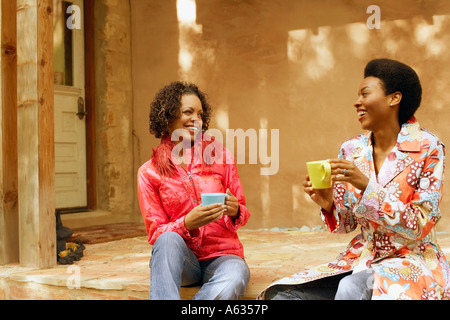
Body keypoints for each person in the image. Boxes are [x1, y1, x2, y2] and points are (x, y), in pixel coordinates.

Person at [259, 58, 450, 300]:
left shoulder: (428, 147)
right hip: (363, 258)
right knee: (283, 295)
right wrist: (327, 202)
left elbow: (420, 226)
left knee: (350, 288)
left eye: (365, 94)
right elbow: (346, 224)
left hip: (410, 260)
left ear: (394, 98)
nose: (356, 102)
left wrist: (367, 186)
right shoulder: (351, 150)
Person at [137, 81, 251, 300]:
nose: (196, 119)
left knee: (235, 274)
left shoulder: (221, 156)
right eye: (187, 112)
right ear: (167, 117)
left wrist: (236, 210)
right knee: (168, 239)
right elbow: (156, 233)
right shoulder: (149, 172)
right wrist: (186, 223)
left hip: (222, 256)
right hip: (184, 261)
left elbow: (243, 211)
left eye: (199, 113)